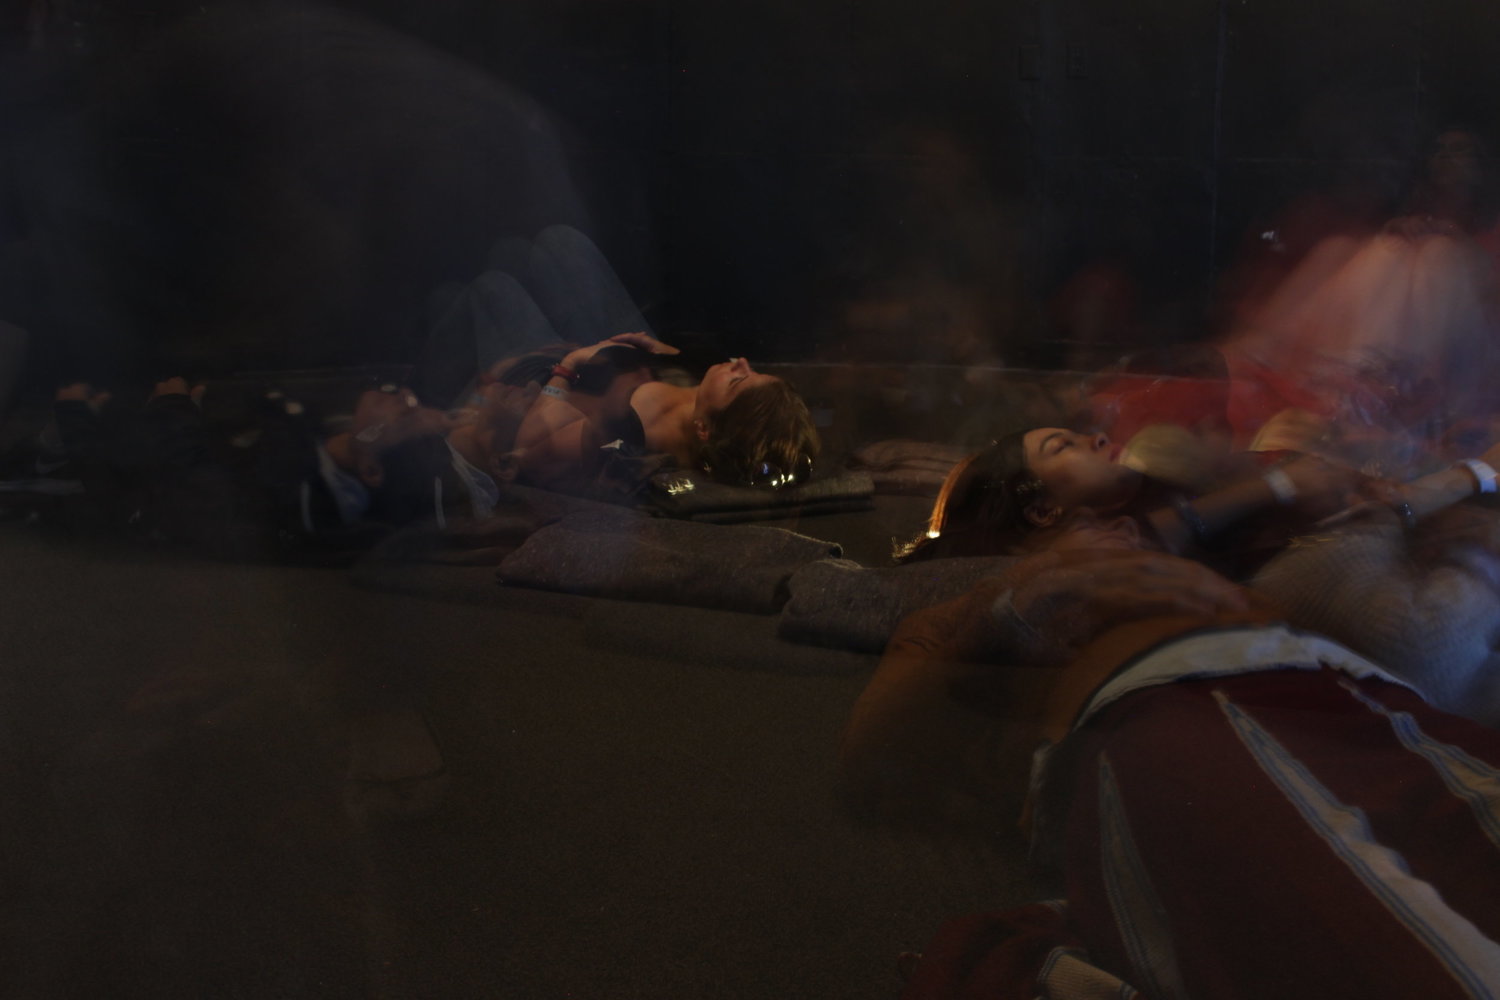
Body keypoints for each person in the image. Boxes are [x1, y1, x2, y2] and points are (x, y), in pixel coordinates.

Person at [842, 447, 1500, 999]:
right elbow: (870, 771)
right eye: (1078, 512)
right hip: (1169, 719)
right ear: (1030, 520)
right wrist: (1027, 596)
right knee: (1383, 931)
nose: (1114, 525)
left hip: (1348, 694)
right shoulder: (976, 596)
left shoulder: (1178, 551)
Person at [426, 225, 820, 496]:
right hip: (625, 359)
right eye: (751, 371)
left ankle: (418, 417)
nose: (742, 362)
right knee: (559, 244)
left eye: (738, 380)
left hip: (553, 377)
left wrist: (570, 364)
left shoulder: (630, 431)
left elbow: (532, 450)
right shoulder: (708, 411)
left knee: (495, 285)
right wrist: (662, 351)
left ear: (703, 429)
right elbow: (706, 382)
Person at [895, 425, 1353, 566]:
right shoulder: (1079, 563)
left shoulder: (1159, 488)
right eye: (1062, 446)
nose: (1096, 436)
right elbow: (1148, 540)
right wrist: (1277, 487)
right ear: (1043, 510)